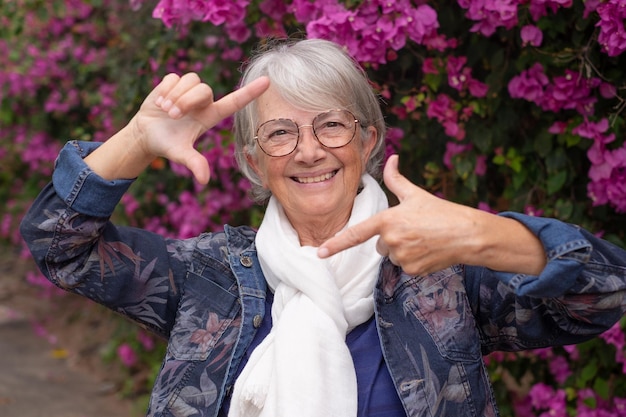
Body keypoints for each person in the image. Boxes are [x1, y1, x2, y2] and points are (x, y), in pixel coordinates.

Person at [19, 38, 626, 417]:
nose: (310, 151)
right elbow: (60, 245)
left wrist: (480, 236)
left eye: (331, 125)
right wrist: (134, 142)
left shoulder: (438, 275)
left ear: (366, 140)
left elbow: (602, 293)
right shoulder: (206, 277)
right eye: (281, 132)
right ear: (254, 160)